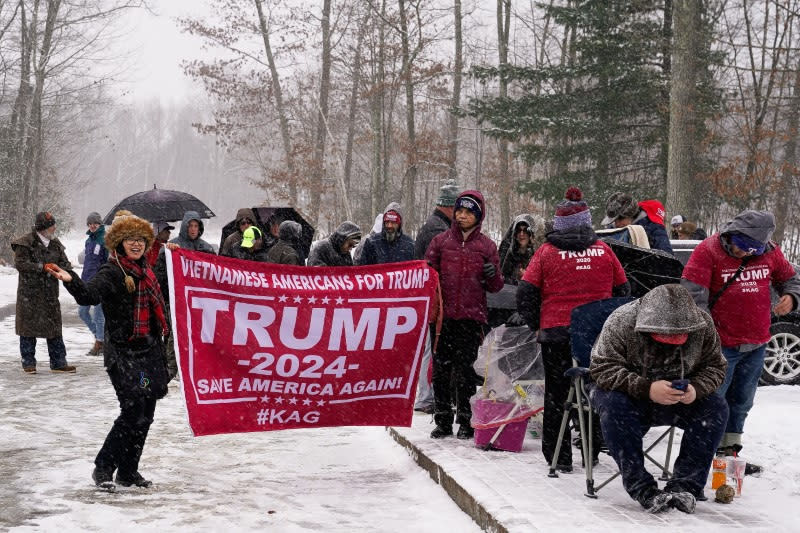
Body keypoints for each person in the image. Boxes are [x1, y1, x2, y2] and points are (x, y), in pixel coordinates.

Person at [50, 212, 170, 491]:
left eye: (140, 239)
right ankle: (104, 467)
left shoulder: (148, 270)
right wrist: (71, 279)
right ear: (119, 242)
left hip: (148, 355)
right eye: (130, 239)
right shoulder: (112, 271)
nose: (136, 244)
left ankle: (129, 471)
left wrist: (176, 254)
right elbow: (89, 295)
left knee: (146, 411)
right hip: (124, 356)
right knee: (131, 411)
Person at [516, 187, 629, 471]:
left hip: (556, 334)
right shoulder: (604, 251)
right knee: (595, 390)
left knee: (557, 395)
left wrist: (536, 324)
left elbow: (525, 293)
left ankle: (559, 457)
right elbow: (623, 290)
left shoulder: (545, 254)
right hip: (597, 337)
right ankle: (592, 451)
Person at [590, 284, 728, 513]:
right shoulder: (622, 321)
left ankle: (685, 487)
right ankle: (643, 489)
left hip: (677, 399)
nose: (671, 339)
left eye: (678, 335)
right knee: (614, 405)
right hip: (627, 396)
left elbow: (715, 367)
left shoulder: (702, 324)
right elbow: (602, 369)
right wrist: (646, 388)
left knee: (715, 407)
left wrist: (697, 388)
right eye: (665, 335)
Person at [681, 210, 800, 473]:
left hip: (757, 342)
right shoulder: (707, 251)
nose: (745, 254)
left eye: (752, 251)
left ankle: (729, 455)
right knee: (713, 402)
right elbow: (692, 300)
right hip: (719, 346)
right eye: (742, 248)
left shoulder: (770, 252)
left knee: (742, 402)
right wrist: (706, 340)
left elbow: (790, 279)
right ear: (732, 234)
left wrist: (791, 296)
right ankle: (700, 457)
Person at [425, 190, 504, 439]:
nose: (462, 216)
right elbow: (427, 277)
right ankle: (443, 420)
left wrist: (492, 274)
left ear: (478, 215)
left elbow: (496, 287)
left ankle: (466, 421)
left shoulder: (487, 246)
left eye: (468, 212)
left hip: (471, 318)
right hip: (443, 319)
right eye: (459, 210)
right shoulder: (440, 242)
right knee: (441, 370)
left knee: (466, 372)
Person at [412, 181, 459, 414]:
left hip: (430, 296)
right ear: (450, 207)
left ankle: (427, 395)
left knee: (429, 349)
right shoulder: (436, 230)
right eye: (458, 209)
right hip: (433, 298)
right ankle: (426, 396)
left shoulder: (434, 225)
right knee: (430, 349)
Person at [11, 211, 76, 374]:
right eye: (51, 225)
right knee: (27, 329)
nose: (54, 228)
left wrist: (66, 268)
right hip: (29, 294)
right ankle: (28, 363)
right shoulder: (25, 243)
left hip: (50, 294)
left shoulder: (56, 244)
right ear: (42, 229)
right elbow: (20, 264)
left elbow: (64, 262)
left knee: (54, 328)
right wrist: (42, 267)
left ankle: (59, 362)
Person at [601, 192, 673, 253]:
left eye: (620, 218)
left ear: (631, 214)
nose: (616, 224)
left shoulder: (653, 227)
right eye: (613, 221)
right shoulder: (612, 230)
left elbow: (667, 256)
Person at [80, 212, 108, 356]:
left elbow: (108, 262)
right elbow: (87, 262)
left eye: (95, 223)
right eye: (90, 223)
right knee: (83, 312)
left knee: (98, 315)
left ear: (100, 224)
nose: (92, 226)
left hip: (99, 283)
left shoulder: (105, 240)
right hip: (86, 282)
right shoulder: (89, 241)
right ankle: (101, 339)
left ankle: (99, 343)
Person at [498, 214, 546, 284]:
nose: (522, 234)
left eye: (525, 230)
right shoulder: (510, 255)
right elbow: (504, 278)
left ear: (530, 234)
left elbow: (544, 281)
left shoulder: (538, 255)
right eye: (519, 230)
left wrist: (528, 276)